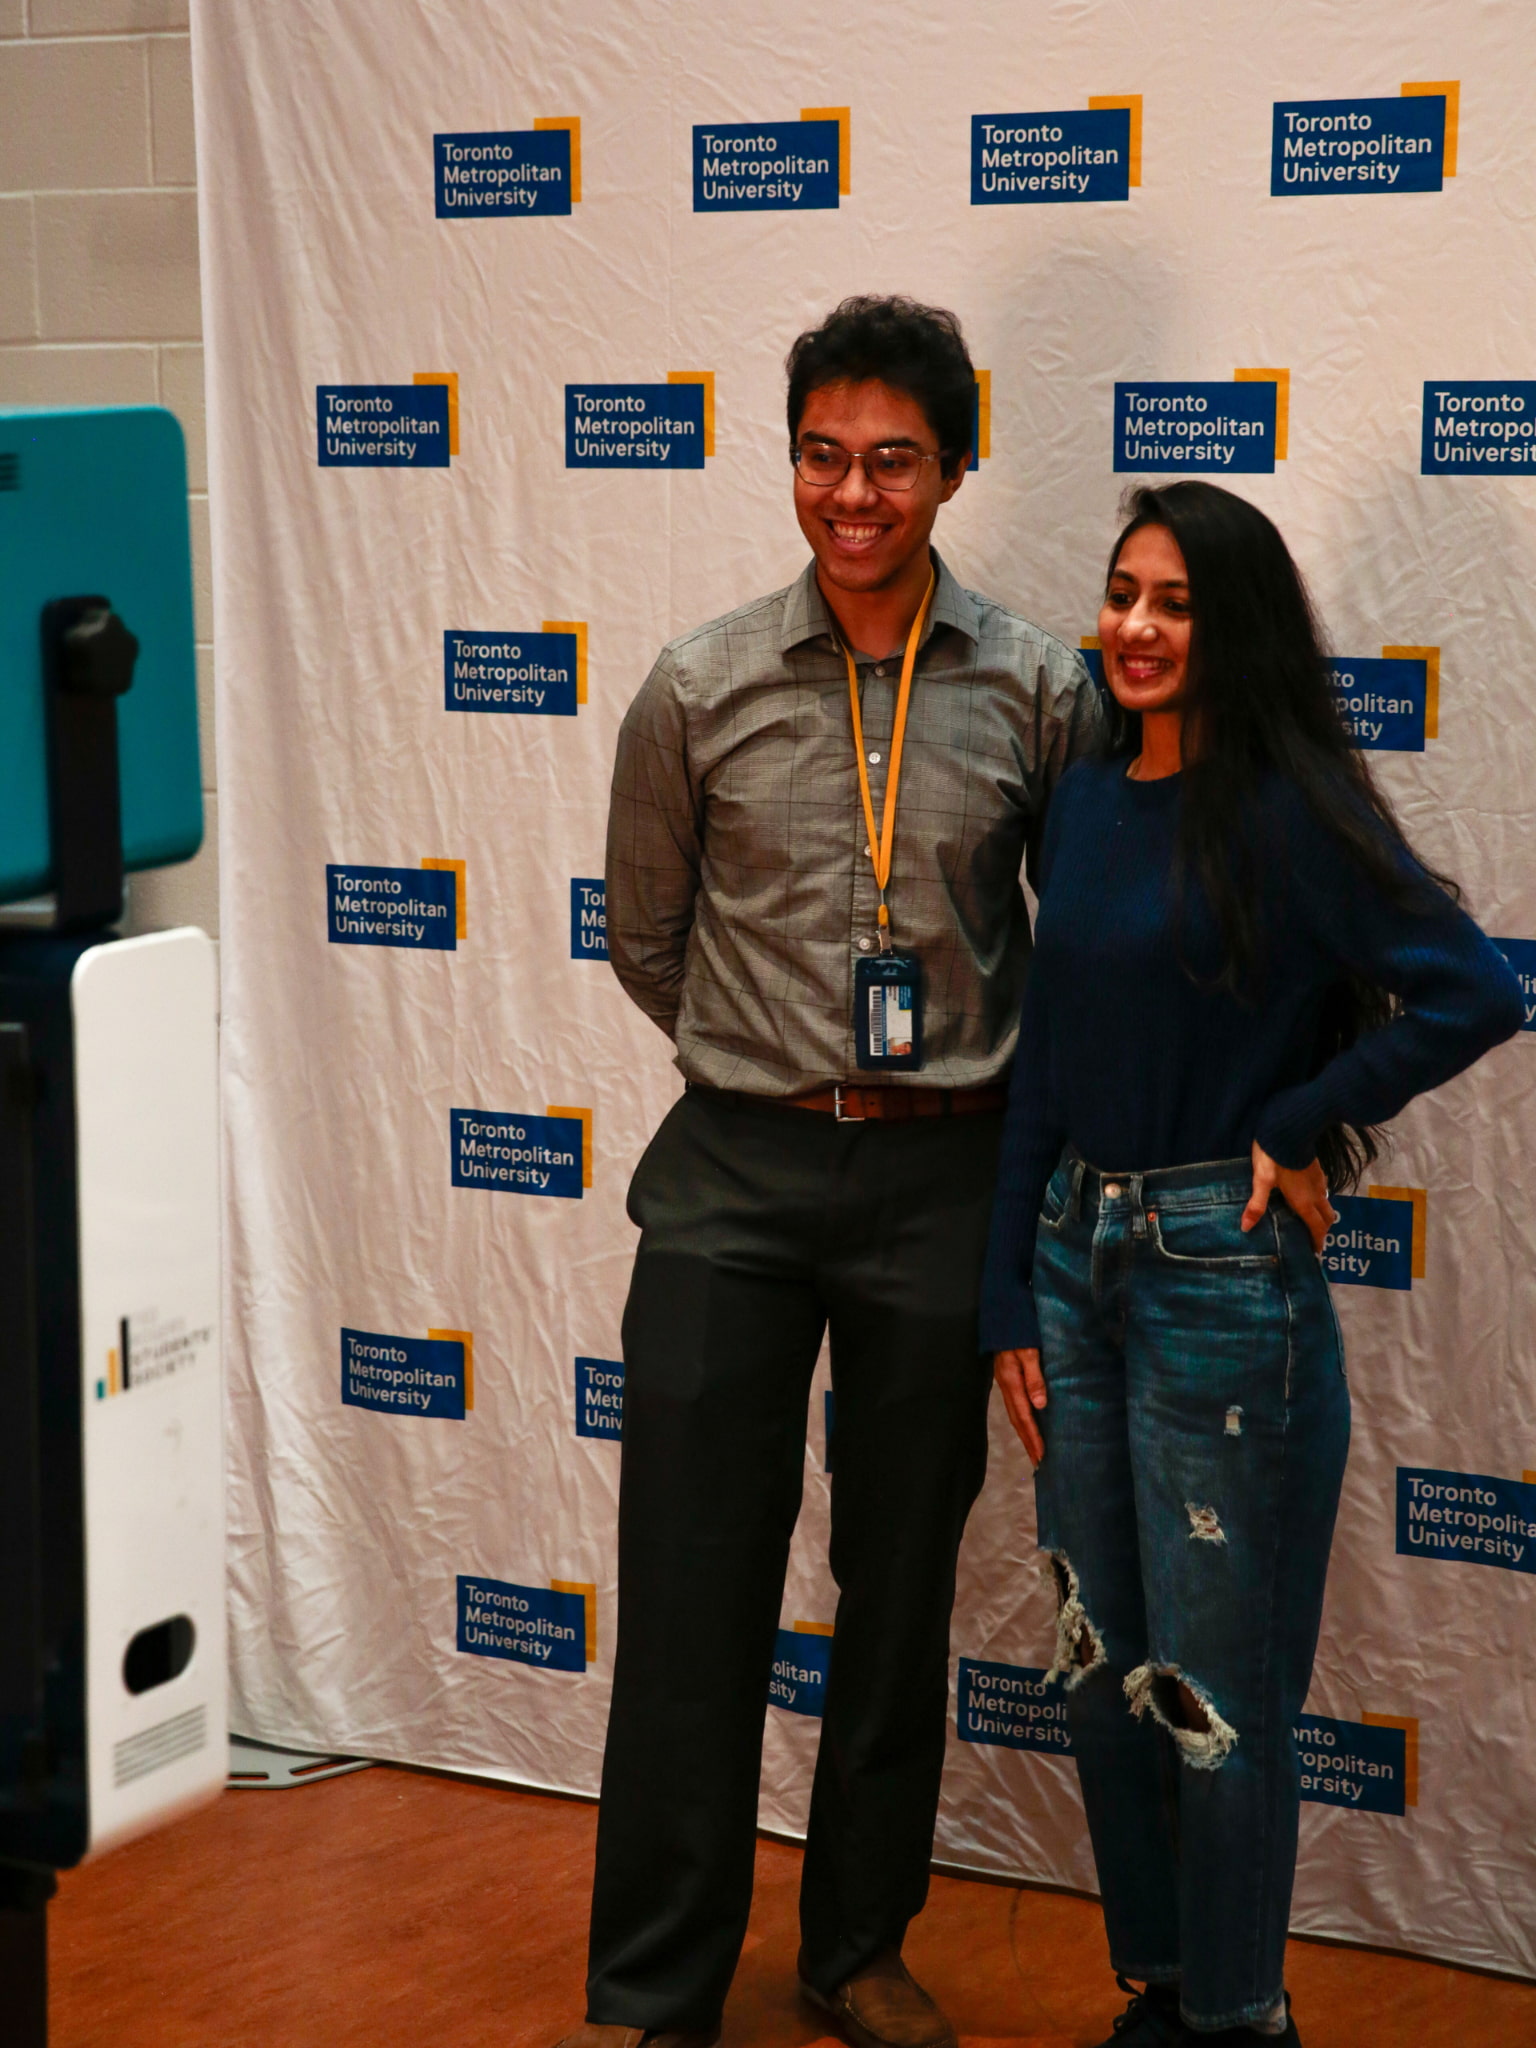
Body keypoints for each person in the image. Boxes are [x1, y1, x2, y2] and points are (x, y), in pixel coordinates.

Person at [553, 297, 1102, 2048]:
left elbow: (1088, 944)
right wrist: (777, 1060)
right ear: (789, 459)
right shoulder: (698, 685)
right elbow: (649, 937)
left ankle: (856, 1946)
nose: (851, 494)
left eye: (891, 461)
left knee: (899, 1588)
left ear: (954, 470)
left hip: (947, 1185)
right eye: (821, 456)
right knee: (691, 1587)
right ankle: (657, 1987)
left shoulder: (1041, 691)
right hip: (734, 1176)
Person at [981, 480, 1523, 2047]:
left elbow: (1475, 990)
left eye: (1177, 604)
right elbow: (1046, 1061)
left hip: (1220, 1283)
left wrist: (1298, 1121)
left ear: (1237, 630)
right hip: (1072, 1269)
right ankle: (1159, 1993)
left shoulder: (1287, 810)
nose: (1138, 627)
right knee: (1101, 1670)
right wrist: (1005, 1287)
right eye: (1123, 594)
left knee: (1217, 1698)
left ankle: (1238, 2019)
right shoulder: (1085, 798)